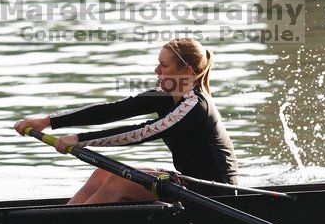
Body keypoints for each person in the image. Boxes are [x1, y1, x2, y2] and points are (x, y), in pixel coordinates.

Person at [15, 38, 238, 204]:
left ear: (186, 72)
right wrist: (47, 121)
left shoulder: (195, 107)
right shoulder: (163, 97)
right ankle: (60, 222)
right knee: (103, 173)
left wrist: (79, 139)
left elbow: (142, 133)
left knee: (117, 183)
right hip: (188, 181)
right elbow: (110, 111)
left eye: (164, 65)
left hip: (214, 193)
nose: (156, 70)